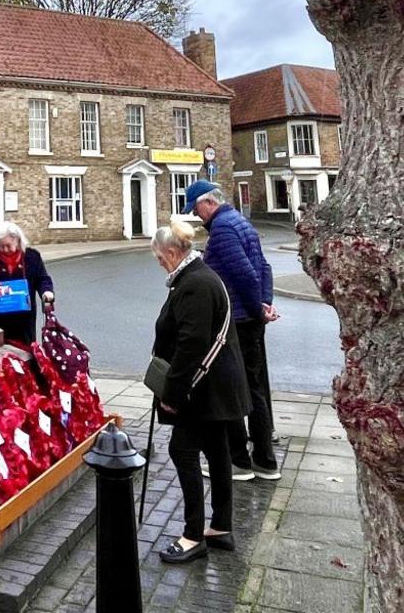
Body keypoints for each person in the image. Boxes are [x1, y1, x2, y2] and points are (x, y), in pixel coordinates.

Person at [148, 218, 252, 564]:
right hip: (216, 387)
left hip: (201, 390)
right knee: (218, 451)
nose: (160, 264)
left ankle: (193, 535)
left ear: (174, 252)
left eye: (161, 258)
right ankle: (221, 526)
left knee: (183, 450)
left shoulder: (194, 284)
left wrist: (172, 393)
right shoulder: (200, 277)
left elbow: (192, 343)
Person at [185, 178, 281, 481]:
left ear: (208, 203)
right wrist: (265, 303)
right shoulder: (240, 222)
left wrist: (256, 310)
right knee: (254, 388)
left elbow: (245, 273)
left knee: (232, 390)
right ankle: (264, 460)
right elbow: (264, 268)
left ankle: (239, 461)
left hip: (236, 322)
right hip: (249, 317)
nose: (197, 216)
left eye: (196, 209)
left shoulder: (224, 229)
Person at [0, 225, 55, 344]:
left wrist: (47, 292)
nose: (5, 250)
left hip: (23, 317)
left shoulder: (32, 256)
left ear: (17, 241)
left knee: (25, 350)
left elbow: (42, 279)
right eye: (1, 246)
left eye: (8, 245)